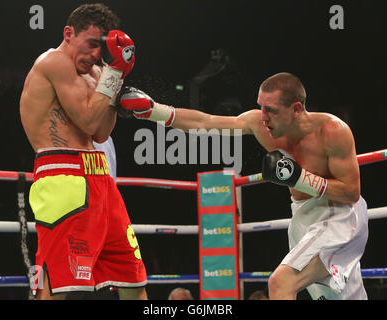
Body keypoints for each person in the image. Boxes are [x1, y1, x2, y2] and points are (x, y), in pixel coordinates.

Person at [116, 72, 369, 300]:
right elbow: (206, 122)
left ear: (296, 109)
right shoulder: (260, 124)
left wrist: (300, 179)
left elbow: (351, 192)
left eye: (271, 110)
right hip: (303, 215)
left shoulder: (332, 131)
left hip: (339, 217)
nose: (263, 117)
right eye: (260, 107)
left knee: (282, 282)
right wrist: (154, 111)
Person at [19, 3, 147, 300]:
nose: (94, 56)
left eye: (101, 49)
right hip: (62, 173)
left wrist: (116, 82)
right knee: (55, 281)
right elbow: (88, 119)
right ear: (68, 33)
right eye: (90, 44)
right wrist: (115, 72)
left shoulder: (98, 71)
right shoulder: (53, 63)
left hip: (101, 179)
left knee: (132, 278)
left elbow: (100, 133)